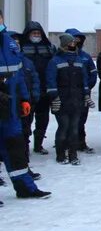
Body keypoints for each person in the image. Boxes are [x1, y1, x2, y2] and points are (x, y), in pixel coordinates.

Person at [0, 11, 50, 202]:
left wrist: (24, 98)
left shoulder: (10, 43)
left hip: (10, 108)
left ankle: (25, 188)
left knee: (16, 150)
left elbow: (19, 74)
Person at [46, 33, 91, 165]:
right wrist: (54, 97)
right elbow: (50, 80)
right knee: (64, 127)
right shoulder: (55, 61)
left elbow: (84, 78)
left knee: (75, 128)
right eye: (71, 43)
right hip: (62, 100)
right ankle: (61, 155)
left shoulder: (78, 60)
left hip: (76, 99)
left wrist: (86, 93)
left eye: (74, 43)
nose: (73, 45)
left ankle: (73, 154)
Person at [20, 21, 56, 155]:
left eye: (38, 33)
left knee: (43, 119)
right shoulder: (21, 48)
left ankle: (38, 144)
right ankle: (25, 145)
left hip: (44, 89)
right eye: (33, 33)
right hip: (27, 91)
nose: (36, 35)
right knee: (26, 120)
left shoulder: (49, 48)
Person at [63, 28, 98, 152]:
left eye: (79, 40)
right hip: (66, 94)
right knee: (66, 119)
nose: (76, 42)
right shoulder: (61, 57)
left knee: (81, 119)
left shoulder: (85, 57)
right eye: (74, 39)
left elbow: (93, 74)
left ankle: (81, 142)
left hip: (83, 94)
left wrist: (87, 87)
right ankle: (65, 142)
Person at [9, 31, 39, 155]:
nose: (16, 45)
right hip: (7, 103)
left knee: (25, 131)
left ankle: (24, 159)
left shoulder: (26, 62)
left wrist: (33, 96)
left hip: (24, 102)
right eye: (13, 43)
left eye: (18, 43)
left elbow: (34, 79)